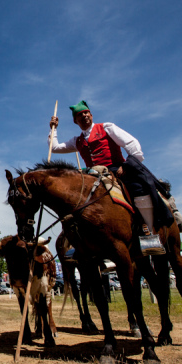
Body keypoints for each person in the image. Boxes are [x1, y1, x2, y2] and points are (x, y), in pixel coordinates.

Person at [49, 101, 173, 251]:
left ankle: (148, 231)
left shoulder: (107, 128)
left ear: (91, 115)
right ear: (75, 121)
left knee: (139, 188)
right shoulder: (77, 141)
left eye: (86, 113)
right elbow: (54, 148)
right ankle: (82, 241)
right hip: (93, 175)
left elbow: (132, 143)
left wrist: (128, 165)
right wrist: (53, 129)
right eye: (79, 115)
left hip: (117, 170)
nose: (84, 116)